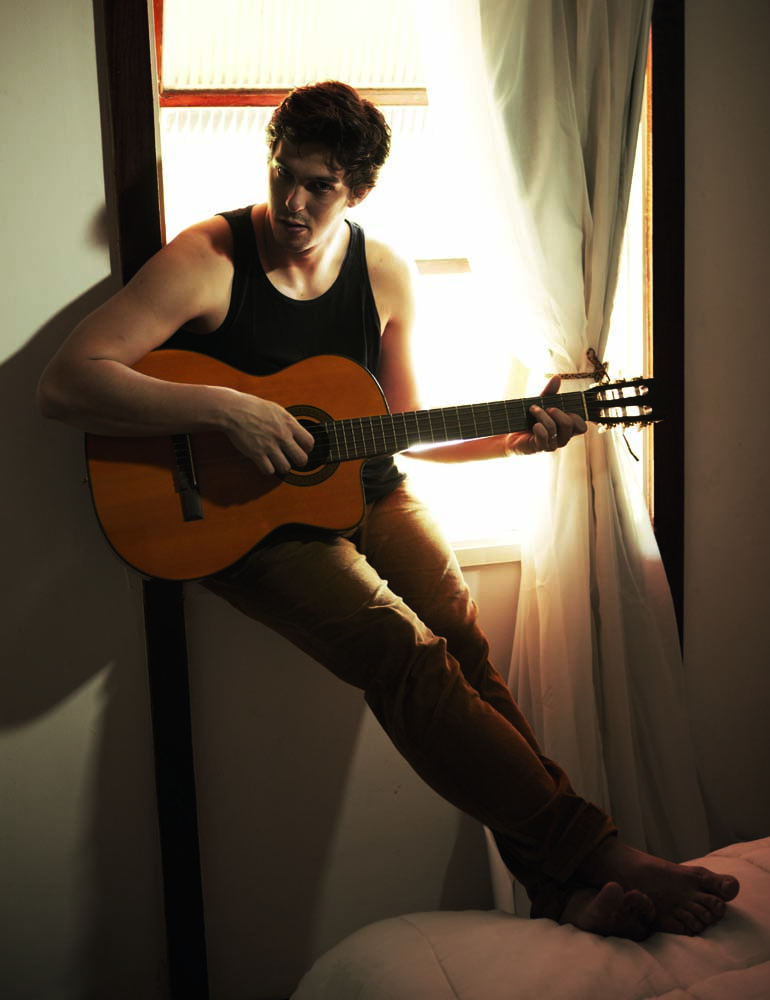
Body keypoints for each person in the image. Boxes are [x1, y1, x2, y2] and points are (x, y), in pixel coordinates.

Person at [37, 80, 738, 940]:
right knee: (404, 652)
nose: (292, 202)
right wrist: (226, 409)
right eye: (282, 173)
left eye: (319, 186)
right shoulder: (209, 258)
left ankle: (561, 893)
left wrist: (513, 440)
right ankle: (599, 853)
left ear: (359, 191)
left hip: (367, 491)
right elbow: (65, 383)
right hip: (237, 518)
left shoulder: (384, 274)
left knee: (464, 644)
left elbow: (402, 428)